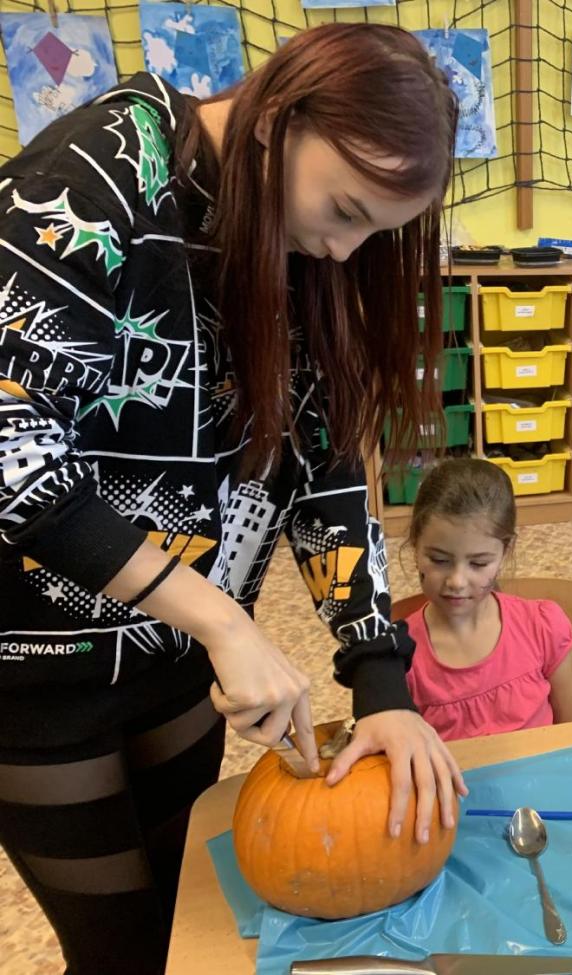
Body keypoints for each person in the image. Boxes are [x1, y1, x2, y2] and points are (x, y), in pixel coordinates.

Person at [0, 25, 466, 975]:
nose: (343, 254)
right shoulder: (95, 177)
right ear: (276, 126)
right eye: (344, 211)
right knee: (117, 949)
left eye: (374, 233)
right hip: (30, 674)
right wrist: (222, 619)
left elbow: (323, 463)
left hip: (175, 661)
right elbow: (9, 450)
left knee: (185, 919)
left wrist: (379, 674)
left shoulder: (292, 239)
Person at [401, 458, 572, 740]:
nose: (457, 581)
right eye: (439, 560)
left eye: (478, 564)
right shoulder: (398, 656)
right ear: (415, 545)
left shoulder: (543, 627)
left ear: (506, 551)